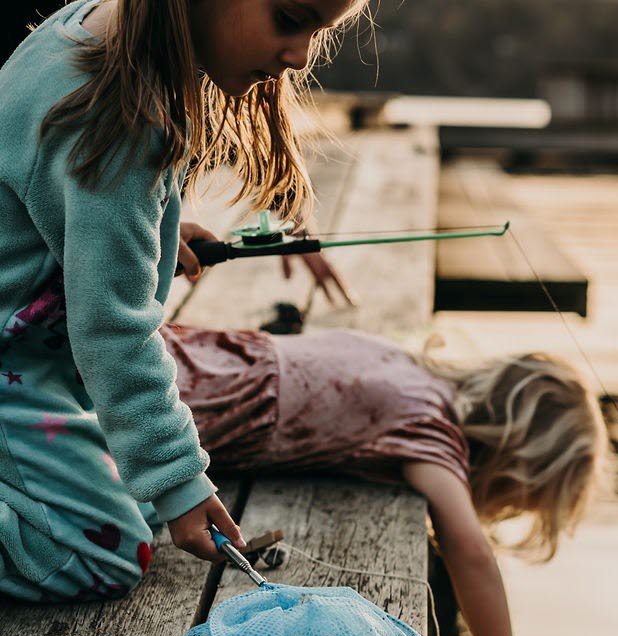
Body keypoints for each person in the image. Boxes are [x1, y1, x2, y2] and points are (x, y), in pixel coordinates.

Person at [0, 0, 366, 601]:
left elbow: (63, 204)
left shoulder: (84, 27)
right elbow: (114, 331)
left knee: (136, 499)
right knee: (109, 549)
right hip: (17, 375)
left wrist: (161, 230)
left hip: (32, 363)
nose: (300, 57)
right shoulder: (117, 116)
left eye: (317, 34)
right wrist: (181, 481)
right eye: (290, 18)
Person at [166, 323, 609, 636]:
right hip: (195, 407)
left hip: (181, 354)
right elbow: (471, 553)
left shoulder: (403, 362)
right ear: (516, 463)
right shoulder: (430, 431)